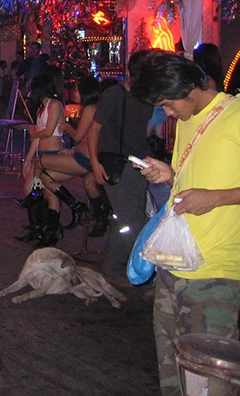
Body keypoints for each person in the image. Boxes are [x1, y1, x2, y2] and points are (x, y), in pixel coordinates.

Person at [131, 50, 240, 396]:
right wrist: (169, 174)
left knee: (212, 384)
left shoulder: (235, 117)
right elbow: (192, 178)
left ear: (187, 88)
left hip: (216, 275)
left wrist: (216, 198)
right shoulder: (185, 121)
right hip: (173, 268)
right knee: (173, 377)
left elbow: (213, 191)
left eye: (167, 104)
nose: (166, 113)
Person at [86, 50, 154, 282]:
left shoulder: (147, 95)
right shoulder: (115, 95)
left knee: (134, 217)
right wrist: (94, 162)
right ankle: (114, 266)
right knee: (130, 220)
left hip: (140, 163)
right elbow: (93, 129)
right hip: (118, 163)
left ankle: (119, 263)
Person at [19, 73, 87, 247]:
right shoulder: (42, 107)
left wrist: (34, 133)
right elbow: (37, 136)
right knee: (36, 190)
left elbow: (47, 132)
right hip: (41, 154)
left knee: (45, 191)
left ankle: (49, 230)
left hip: (52, 152)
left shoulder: (55, 105)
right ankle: (40, 229)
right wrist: (28, 158)